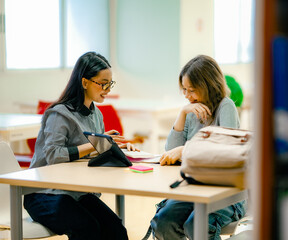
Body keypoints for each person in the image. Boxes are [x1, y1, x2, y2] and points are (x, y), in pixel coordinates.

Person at [24, 52, 136, 240]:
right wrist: (96, 144)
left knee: (117, 230)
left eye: (110, 83)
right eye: (103, 83)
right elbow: (54, 155)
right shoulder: (59, 114)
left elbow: (95, 155)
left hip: (74, 192)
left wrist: (116, 149)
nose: (107, 89)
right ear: (85, 83)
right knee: (88, 229)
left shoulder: (96, 114)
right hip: (43, 193)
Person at [149, 55, 247, 240]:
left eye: (191, 90)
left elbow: (225, 152)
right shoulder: (192, 110)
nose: (187, 96)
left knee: (197, 225)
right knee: (163, 222)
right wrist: (182, 113)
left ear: (208, 86)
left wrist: (186, 150)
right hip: (194, 188)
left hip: (226, 192)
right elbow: (171, 151)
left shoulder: (226, 107)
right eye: (184, 90)